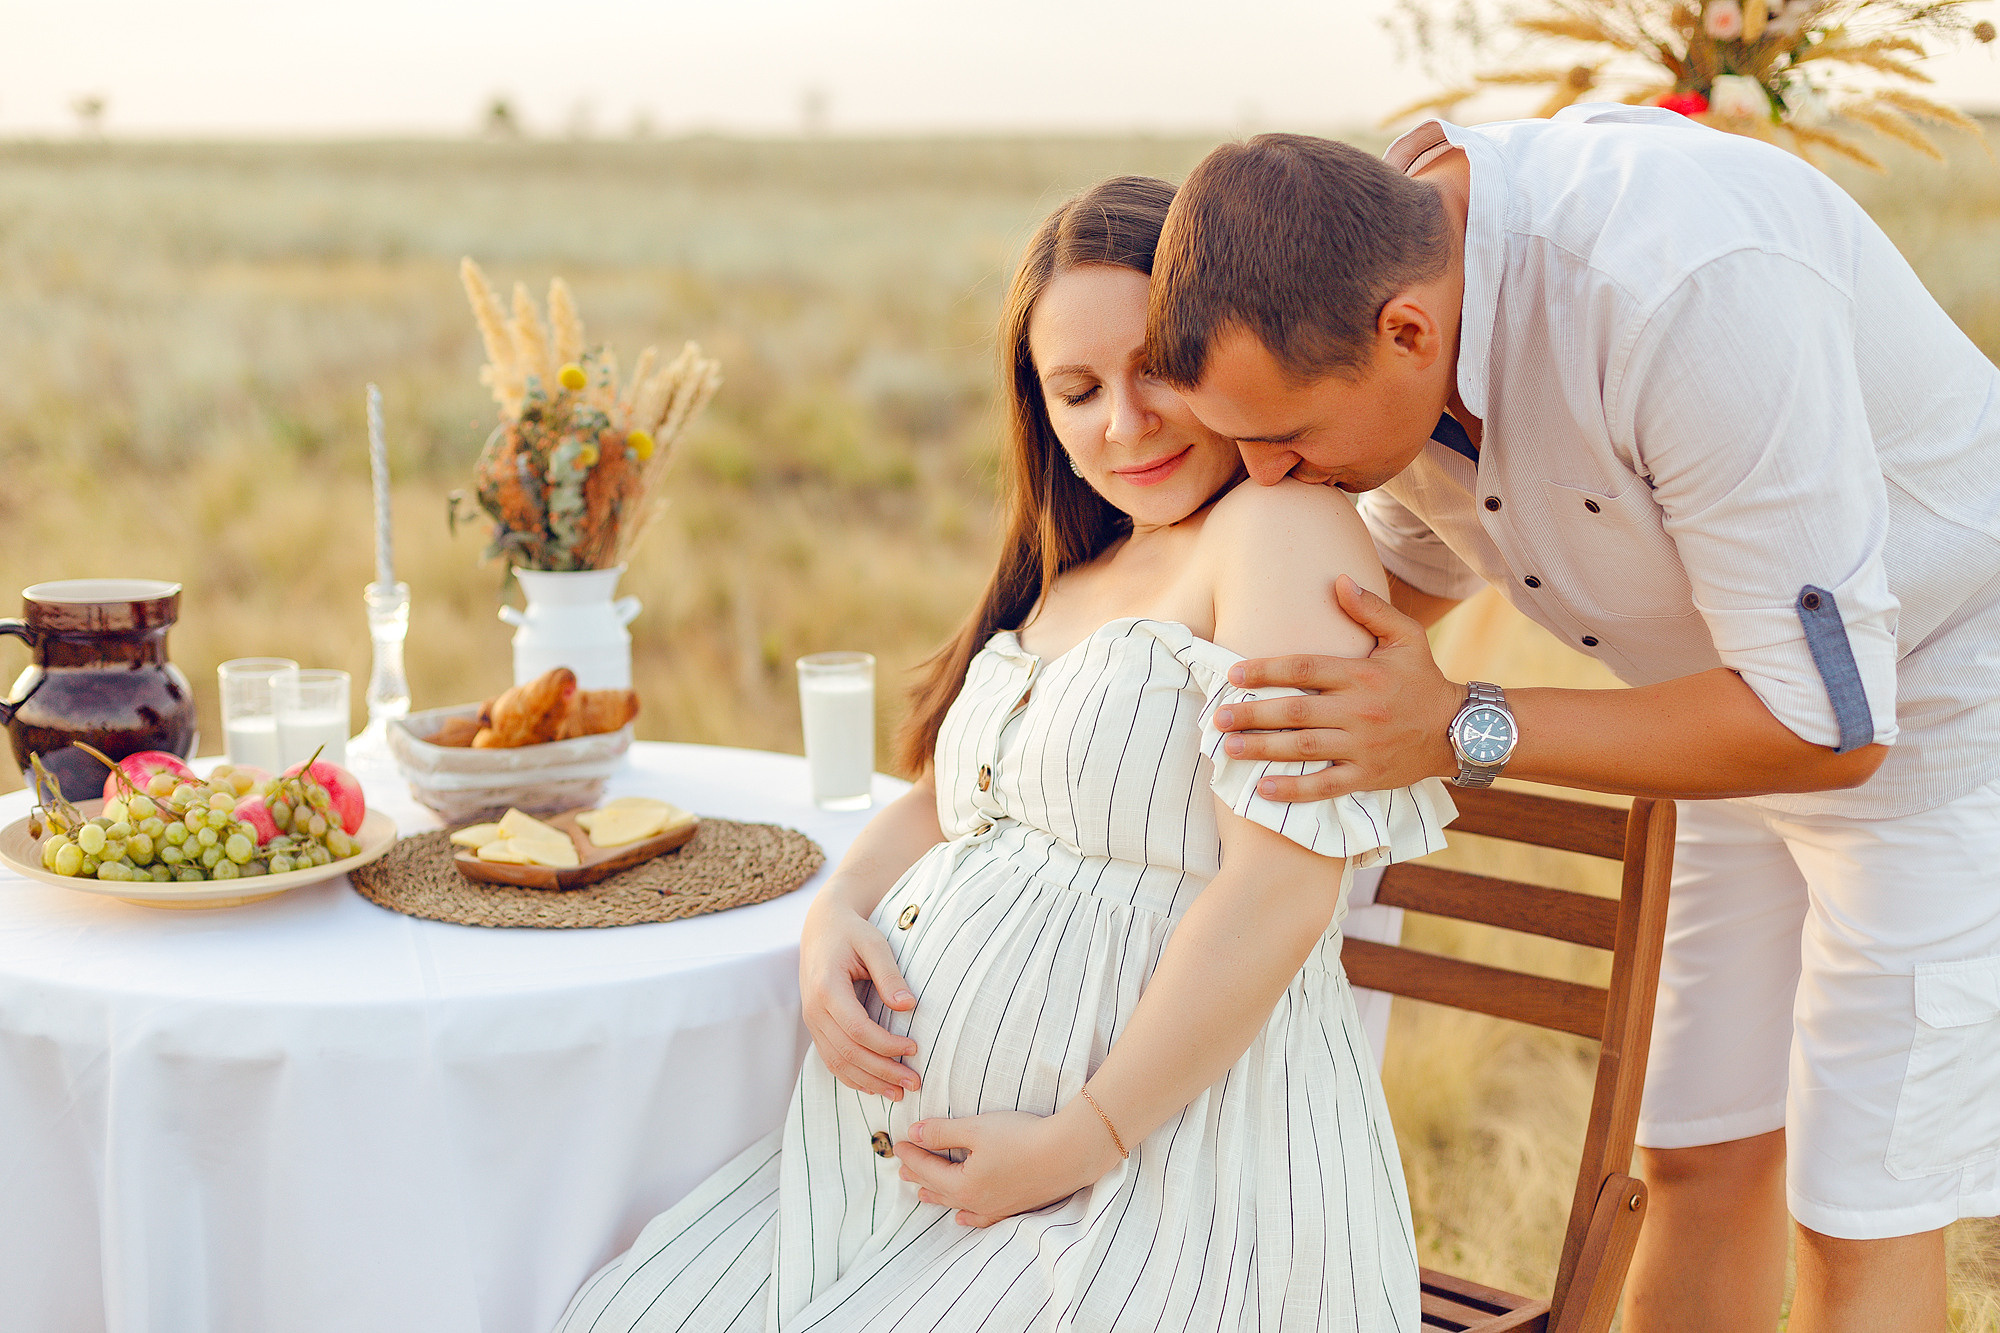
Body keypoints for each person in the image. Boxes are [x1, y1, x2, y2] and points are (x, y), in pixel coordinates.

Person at [1143, 110, 2000, 1333]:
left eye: (1280, 443)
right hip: (1708, 709)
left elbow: (1830, 726)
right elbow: (1399, 578)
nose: (1268, 480)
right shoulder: (1373, 276)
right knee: (1692, 1153)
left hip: (1937, 704)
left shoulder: (1683, 291)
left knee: (1856, 1210)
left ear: (1407, 332)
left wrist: (1456, 727)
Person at [551, 175, 1456, 1333]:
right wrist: (838, 912)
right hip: (899, 1181)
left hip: (1162, 1177)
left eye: (1154, 372)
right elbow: (946, 802)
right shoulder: (1072, 574)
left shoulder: (1278, 533)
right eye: (1076, 390)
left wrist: (1083, 1138)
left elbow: (1281, 888)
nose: (1121, 423)